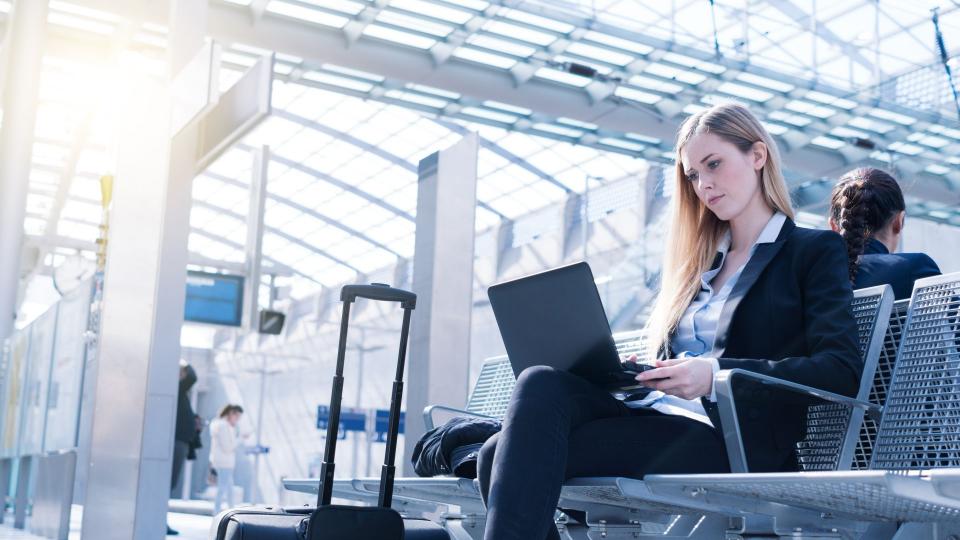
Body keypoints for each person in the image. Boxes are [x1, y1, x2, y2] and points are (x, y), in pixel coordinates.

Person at [475, 102, 861, 540]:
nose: (705, 184)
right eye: (693, 175)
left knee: (500, 456)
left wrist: (713, 375)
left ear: (757, 156)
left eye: (713, 164)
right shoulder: (698, 265)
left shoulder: (810, 252)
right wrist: (649, 371)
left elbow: (840, 371)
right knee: (538, 383)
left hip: (729, 439)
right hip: (658, 417)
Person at [828, 167, 941, 299]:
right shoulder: (914, 268)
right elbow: (952, 317)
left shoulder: (813, 275)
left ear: (833, 226)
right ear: (899, 221)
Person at [167, 361, 200, 536]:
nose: (183, 375)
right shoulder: (176, 388)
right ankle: (161, 520)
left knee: (169, 484)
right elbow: (193, 376)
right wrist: (185, 363)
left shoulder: (180, 393)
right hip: (177, 441)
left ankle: (161, 519)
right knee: (168, 484)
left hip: (181, 441)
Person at [210, 404, 244, 514]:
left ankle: (231, 511)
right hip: (224, 462)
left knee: (228, 489)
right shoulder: (223, 426)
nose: (237, 420)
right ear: (231, 414)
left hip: (222, 462)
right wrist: (240, 439)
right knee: (223, 489)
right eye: (237, 417)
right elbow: (227, 447)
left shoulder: (219, 425)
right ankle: (217, 512)